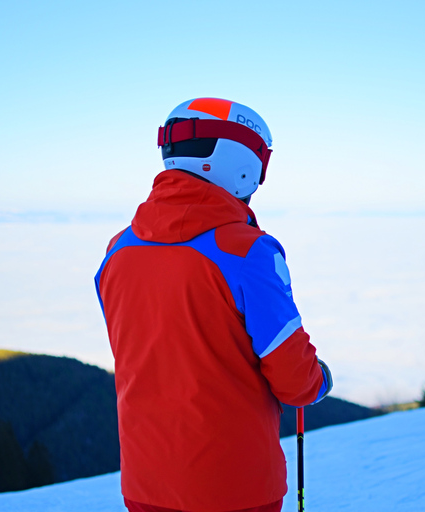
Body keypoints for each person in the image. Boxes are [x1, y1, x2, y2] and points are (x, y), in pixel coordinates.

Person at [95, 97, 332, 512]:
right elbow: (295, 380)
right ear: (242, 159)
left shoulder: (118, 249)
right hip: (235, 487)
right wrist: (318, 381)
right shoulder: (247, 252)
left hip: (145, 482)